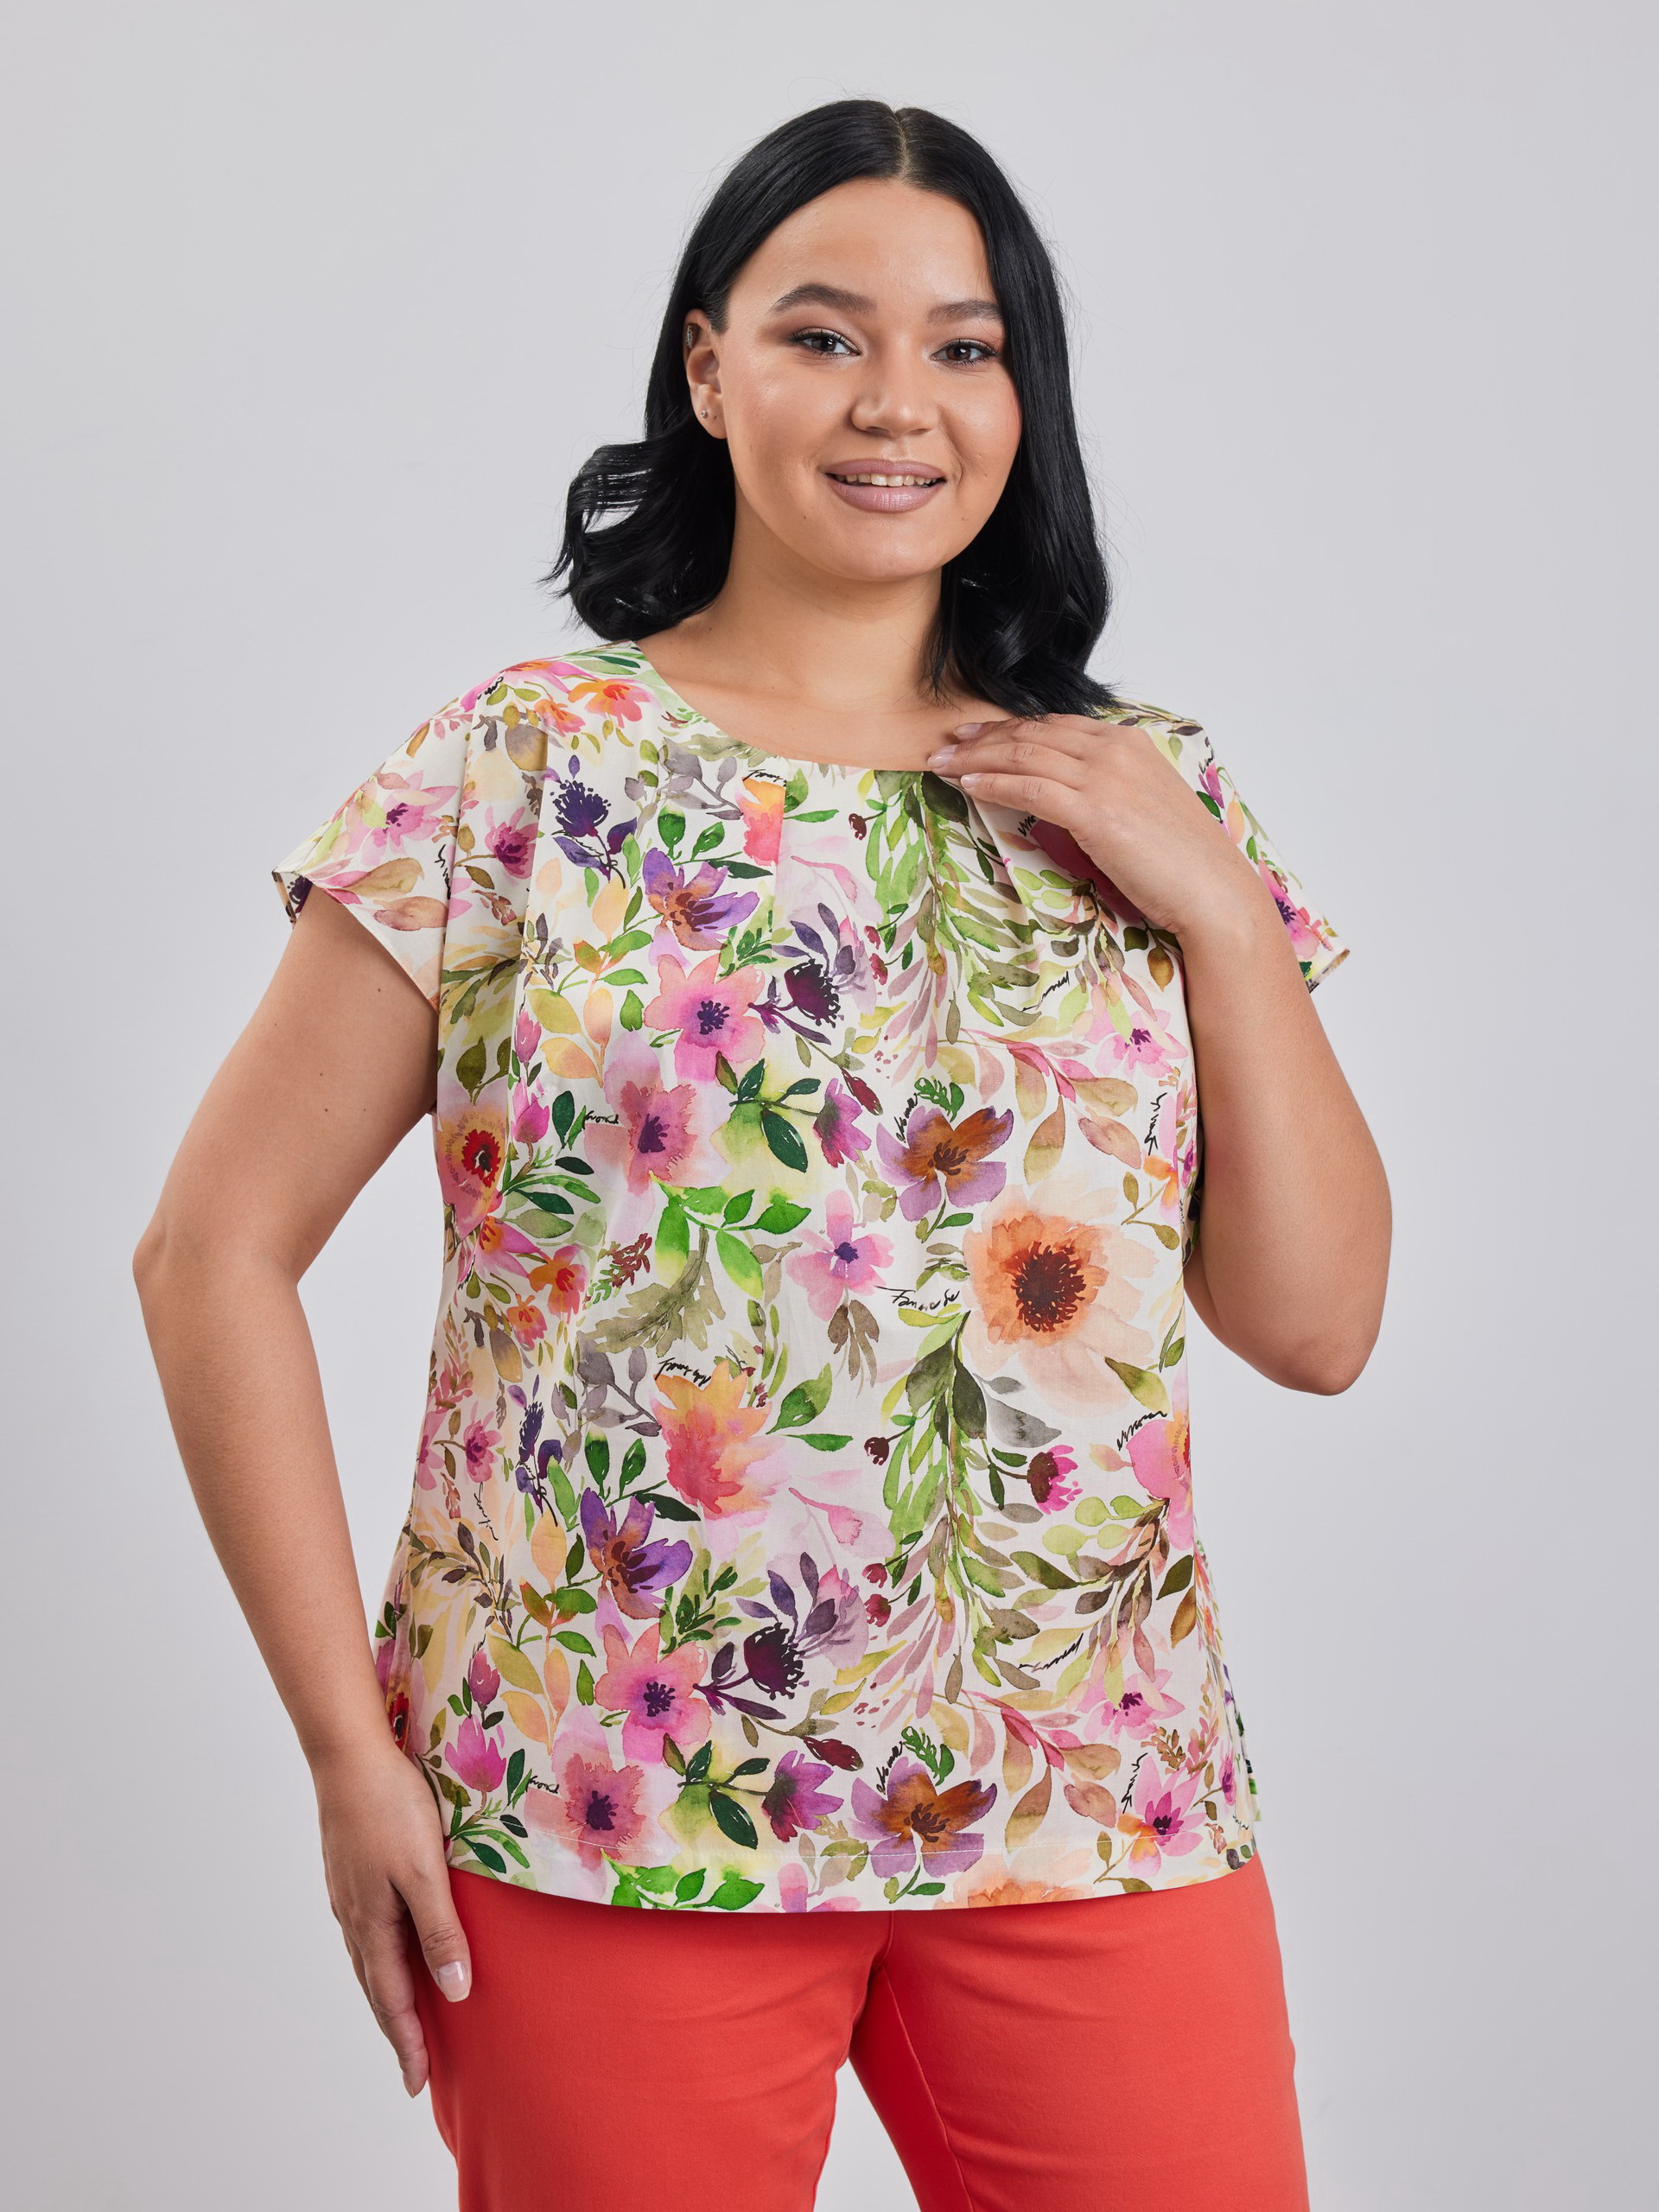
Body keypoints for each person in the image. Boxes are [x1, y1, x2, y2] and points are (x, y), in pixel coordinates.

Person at [134, 96, 1389, 2212]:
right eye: (825, 335)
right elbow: (209, 1250)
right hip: (606, 1800)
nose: (900, 400)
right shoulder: (521, 768)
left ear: (1023, 395)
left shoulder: (1144, 789)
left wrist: (1221, 915)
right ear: (709, 371)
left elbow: (1319, 1322)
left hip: (1091, 1795)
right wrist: (350, 1754)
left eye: (966, 346)